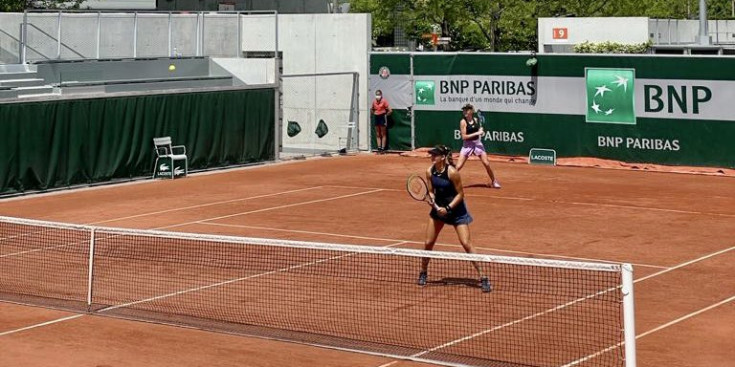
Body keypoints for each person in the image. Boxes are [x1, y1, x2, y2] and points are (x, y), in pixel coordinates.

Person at [418, 145, 491, 293]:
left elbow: (460, 194)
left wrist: (448, 208)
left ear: (443, 157)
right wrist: (432, 201)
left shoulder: (452, 173)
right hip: (438, 211)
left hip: (457, 211)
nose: (432, 157)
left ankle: (483, 277)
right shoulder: (429, 171)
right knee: (428, 242)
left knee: (466, 243)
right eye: (431, 154)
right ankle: (423, 272)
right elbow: (431, 191)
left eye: (435, 155)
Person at [457, 103, 500, 188]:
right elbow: (464, 137)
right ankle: (447, 183)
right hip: (467, 145)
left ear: (471, 111)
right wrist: (477, 132)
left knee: (486, 163)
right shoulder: (463, 122)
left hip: (477, 144)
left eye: (466, 110)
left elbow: (480, 131)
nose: (464, 111)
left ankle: (494, 181)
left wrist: (481, 131)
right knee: (458, 166)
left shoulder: (476, 120)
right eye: (464, 110)